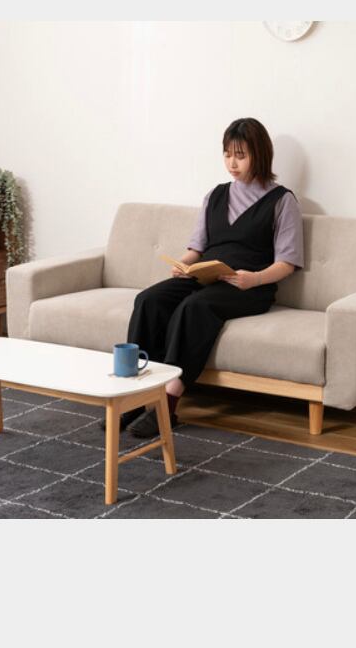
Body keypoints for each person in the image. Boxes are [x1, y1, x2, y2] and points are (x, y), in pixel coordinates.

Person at [103, 117, 305, 438]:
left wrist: (254, 279)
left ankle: (167, 404)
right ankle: (134, 397)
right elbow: (196, 248)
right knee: (149, 300)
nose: (232, 163)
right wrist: (183, 265)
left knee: (194, 307)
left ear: (260, 155)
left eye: (240, 156)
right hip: (207, 275)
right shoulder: (215, 195)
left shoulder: (282, 201)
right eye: (227, 155)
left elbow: (287, 263)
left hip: (249, 285)